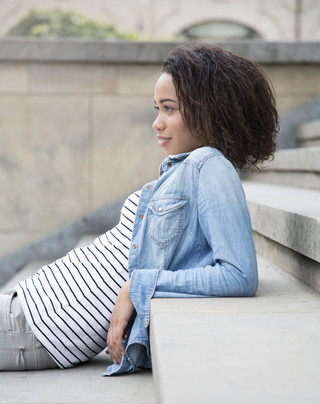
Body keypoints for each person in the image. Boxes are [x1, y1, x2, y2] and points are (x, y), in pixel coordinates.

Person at [0, 44, 278, 374]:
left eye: (169, 109)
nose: (156, 123)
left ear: (211, 112)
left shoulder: (210, 166)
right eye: (157, 109)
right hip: (25, 306)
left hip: (34, 326)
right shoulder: (187, 168)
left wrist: (139, 286)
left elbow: (238, 274)